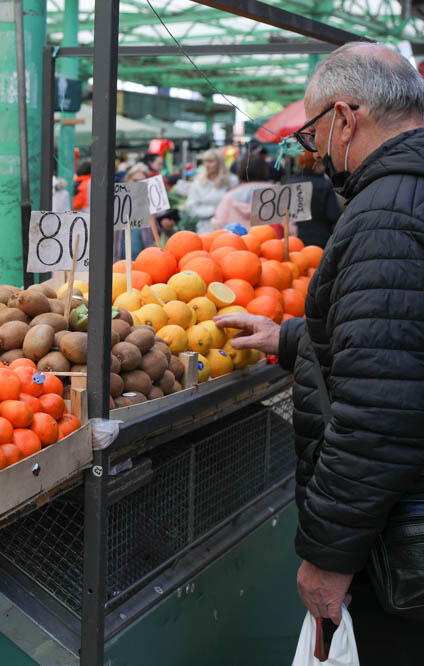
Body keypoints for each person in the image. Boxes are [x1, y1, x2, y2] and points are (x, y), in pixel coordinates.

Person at [214, 43, 424, 663]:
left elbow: (379, 410)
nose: (316, 151)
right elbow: (395, 344)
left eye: (312, 134)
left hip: (399, 541)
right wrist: (288, 337)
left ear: (345, 118)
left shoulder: (385, 216)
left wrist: (329, 557)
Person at [285, 149, 342, 248]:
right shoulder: (325, 184)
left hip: (295, 242)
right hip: (321, 241)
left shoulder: (289, 183)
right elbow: (333, 215)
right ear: (318, 162)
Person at [211, 151, 274, 230]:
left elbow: (219, 223)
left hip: (237, 237)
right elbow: (287, 224)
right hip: (270, 237)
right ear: (265, 169)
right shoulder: (278, 192)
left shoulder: (230, 196)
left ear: (240, 170)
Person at [185, 148, 238, 233]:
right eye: (205, 161)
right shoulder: (198, 183)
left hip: (228, 229)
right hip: (205, 230)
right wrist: (213, 210)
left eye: (211, 161)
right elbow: (191, 208)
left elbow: (236, 205)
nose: (207, 165)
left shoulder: (232, 181)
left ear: (220, 163)